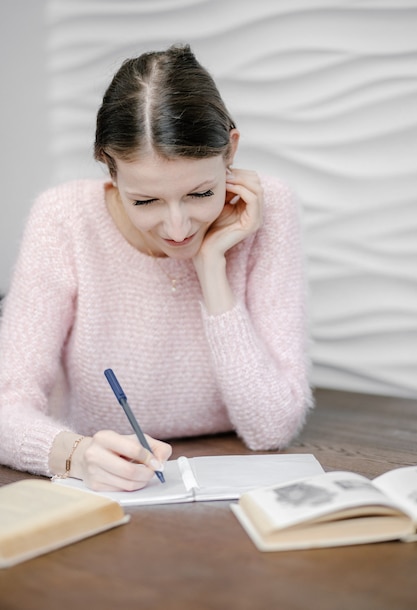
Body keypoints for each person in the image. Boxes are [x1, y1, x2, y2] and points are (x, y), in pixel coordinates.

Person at [0, 44, 313, 492]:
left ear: (231, 151)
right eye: (145, 201)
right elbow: (7, 407)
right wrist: (76, 455)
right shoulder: (64, 218)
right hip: (109, 491)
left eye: (201, 193)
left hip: (231, 486)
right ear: (108, 167)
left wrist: (211, 269)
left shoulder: (266, 210)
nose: (178, 227)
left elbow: (271, 428)